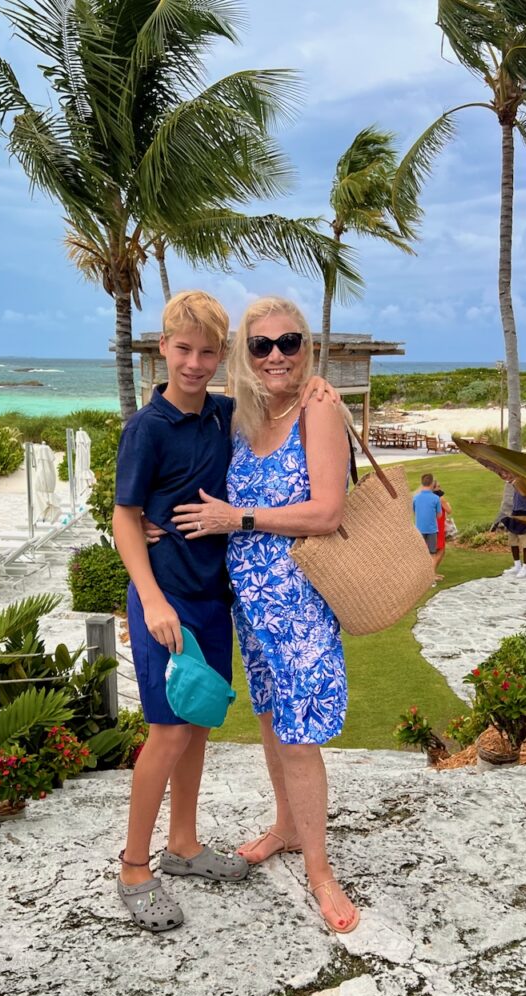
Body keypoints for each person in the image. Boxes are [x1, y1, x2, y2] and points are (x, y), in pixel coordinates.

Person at [114, 290, 335, 933]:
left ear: (221, 356)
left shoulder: (222, 415)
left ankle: (182, 843)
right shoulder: (146, 428)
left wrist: (319, 387)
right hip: (168, 602)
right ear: (162, 348)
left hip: (215, 599)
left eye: (208, 352)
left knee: (202, 721)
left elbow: (285, 394)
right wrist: (151, 599)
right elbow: (124, 519)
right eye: (183, 349)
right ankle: (134, 866)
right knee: (169, 730)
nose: (194, 363)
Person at [172, 296, 359, 934]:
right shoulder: (243, 415)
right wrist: (143, 521)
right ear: (245, 357)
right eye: (262, 345)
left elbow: (327, 512)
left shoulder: (319, 411)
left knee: (301, 735)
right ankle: (284, 825)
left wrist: (239, 519)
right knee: (271, 721)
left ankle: (320, 871)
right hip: (250, 603)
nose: (276, 355)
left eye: (289, 342)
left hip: (299, 601)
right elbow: (183, 435)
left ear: (307, 346)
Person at [501, 488, 526, 579]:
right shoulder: (515, 485)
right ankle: (517, 566)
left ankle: (525, 568)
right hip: (515, 514)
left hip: (525, 515)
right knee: (513, 542)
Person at [413, 472, 443, 579]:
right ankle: (431, 577)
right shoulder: (435, 498)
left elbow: (414, 511)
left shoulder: (416, 498)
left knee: (420, 553)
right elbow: (439, 515)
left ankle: (420, 577)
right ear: (431, 484)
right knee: (432, 554)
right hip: (431, 529)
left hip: (419, 529)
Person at [432, 479, 452, 581]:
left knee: (435, 550)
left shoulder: (429, 498)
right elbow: (449, 510)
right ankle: (431, 575)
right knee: (441, 550)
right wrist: (448, 504)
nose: (440, 488)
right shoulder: (440, 498)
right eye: (438, 487)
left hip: (431, 525)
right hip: (438, 525)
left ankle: (433, 573)